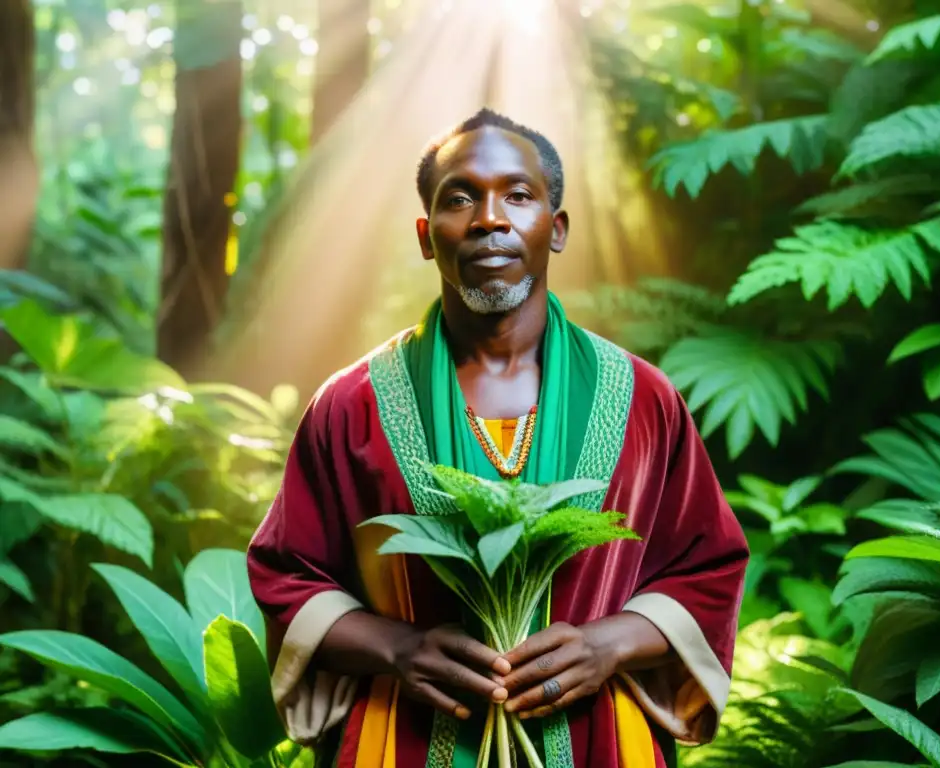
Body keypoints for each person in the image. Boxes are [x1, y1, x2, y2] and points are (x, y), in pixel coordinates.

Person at [247, 108, 749, 768]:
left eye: (517, 194)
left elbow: (707, 565)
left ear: (556, 227)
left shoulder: (642, 398)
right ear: (428, 236)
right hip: (403, 737)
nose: (489, 218)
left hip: (600, 739)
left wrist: (610, 643)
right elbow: (288, 574)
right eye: (460, 197)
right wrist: (398, 648)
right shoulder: (351, 404)